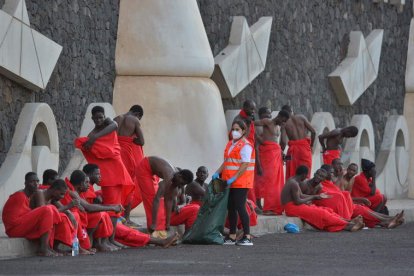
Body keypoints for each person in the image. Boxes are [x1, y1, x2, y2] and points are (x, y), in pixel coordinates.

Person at [75, 105, 135, 244]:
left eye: (100, 117)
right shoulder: (93, 132)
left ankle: (110, 240)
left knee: (116, 208)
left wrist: (94, 137)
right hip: (109, 177)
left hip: (118, 171)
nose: (98, 120)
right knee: (113, 208)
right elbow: (85, 142)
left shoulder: (109, 123)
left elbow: (114, 125)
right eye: (96, 118)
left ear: (104, 116)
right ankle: (107, 240)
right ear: (92, 118)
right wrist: (92, 138)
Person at [81, 165, 179, 248]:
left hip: (102, 220)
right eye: (97, 174)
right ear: (88, 175)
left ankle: (159, 241)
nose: (100, 177)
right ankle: (160, 242)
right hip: (97, 221)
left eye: (100, 174)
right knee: (128, 233)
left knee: (127, 235)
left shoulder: (90, 188)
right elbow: (89, 208)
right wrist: (111, 208)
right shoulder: (86, 188)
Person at [281, 166, 364, 232]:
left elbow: (301, 195)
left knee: (327, 210)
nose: (307, 177)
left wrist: (317, 196)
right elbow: (298, 201)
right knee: (322, 213)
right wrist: (314, 197)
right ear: (304, 175)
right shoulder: (294, 183)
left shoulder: (293, 181)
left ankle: (348, 223)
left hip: (295, 205)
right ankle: (349, 225)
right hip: (291, 208)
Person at [319, 164, 404, 229]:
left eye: (354, 171)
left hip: (349, 203)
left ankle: (390, 218)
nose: (333, 174)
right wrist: (361, 199)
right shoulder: (332, 182)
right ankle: (387, 220)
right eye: (331, 172)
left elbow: (373, 192)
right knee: (364, 210)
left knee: (367, 208)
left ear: (356, 172)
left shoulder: (350, 179)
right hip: (344, 207)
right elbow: (338, 194)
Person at [213, 120, 255, 245]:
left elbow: (245, 164)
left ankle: (247, 236)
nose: (234, 132)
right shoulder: (230, 144)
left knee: (240, 206)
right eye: (233, 129)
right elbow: (227, 162)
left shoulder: (246, 145)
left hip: (241, 182)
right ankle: (232, 235)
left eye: (237, 129)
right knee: (231, 207)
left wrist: (233, 178)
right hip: (230, 182)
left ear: (243, 131)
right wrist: (217, 173)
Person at [2, 172, 63, 257]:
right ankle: (44, 248)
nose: (36, 184)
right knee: (47, 209)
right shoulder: (19, 195)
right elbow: (15, 220)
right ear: (25, 183)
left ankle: (48, 247)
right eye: (32, 182)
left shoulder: (28, 196)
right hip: (14, 229)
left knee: (49, 209)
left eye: (37, 181)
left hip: (19, 225)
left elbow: (27, 214)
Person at [136, 156, 199, 233]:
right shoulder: (169, 179)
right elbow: (156, 199)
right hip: (144, 167)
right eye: (182, 183)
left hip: (152, 170)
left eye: (183, 185)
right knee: (151, 197)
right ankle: (155, 227)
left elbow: (169, 201)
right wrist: (154, 223)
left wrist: (168, 224)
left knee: (195, 207)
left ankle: (160, 225)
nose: (182, 186)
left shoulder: (176, 182)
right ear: (179, 176)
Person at [66, 170, 125, 252]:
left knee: (102, 214)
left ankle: (100, 242)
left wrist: (112, 206)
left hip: (80, 219)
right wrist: (112, 208)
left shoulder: (78, 192)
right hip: (72, 218)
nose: (88, 185)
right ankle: (94, 244)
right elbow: (89, 207)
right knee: (98, 214)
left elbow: (88, 206)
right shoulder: (72, 192)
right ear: (80, 184)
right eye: (86, 182)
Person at [30, 178, 84, 254]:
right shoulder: (40, 193)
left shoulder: (53, 198)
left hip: (43, 225)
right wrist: (68, 206)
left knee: (72, 216)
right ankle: (45, 248)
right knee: (62, 217)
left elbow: (65, 210)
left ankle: (75, 248)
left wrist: (70, 214)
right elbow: (43, 213)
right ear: (54, 190)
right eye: (61, 194)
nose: (62, 197)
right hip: (33, 225)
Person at [253, 110, 290, 215]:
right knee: (268, 181)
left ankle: (272, 207)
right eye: (284, 120)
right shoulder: (267, 122)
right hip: (267, 154)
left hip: (276, 155)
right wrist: (259, 139)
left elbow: (278, 141)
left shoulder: (279, 127)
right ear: (279, 116)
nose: (284, 123)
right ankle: (267, 208)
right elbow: (251, 124)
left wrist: (281, 151)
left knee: (276, 182)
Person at [114, 105, 145, 226]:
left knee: (117, 186)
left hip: (115, 153)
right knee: (130, 186)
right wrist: (132, 140)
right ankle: (126, 218)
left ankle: (116, 215)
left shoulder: (117, 118)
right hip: (127, 154)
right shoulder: (134, 120)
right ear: (138, 114)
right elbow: (142, 141)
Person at [231, 100, 257, 203]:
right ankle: (246, 202)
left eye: (254, 109)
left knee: (249, 178)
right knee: (244, 177)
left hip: (249, 150)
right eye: (251, 109)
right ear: (244, 107)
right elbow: (237, 138)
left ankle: (251, 203)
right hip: (242, 151)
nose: (253, 111)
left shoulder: (248, 118)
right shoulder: (238, 119)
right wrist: (248, 123)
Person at [280, 105, 316, 180]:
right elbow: (313, 132)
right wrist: (311, 146)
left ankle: (292, 189)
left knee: (292, 174)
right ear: (292, 111)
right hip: (305, 149)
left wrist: (281, 152)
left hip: (292, 152)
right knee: (305, 172)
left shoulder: (284, 123)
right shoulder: (301, 117)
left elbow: (283, 142)